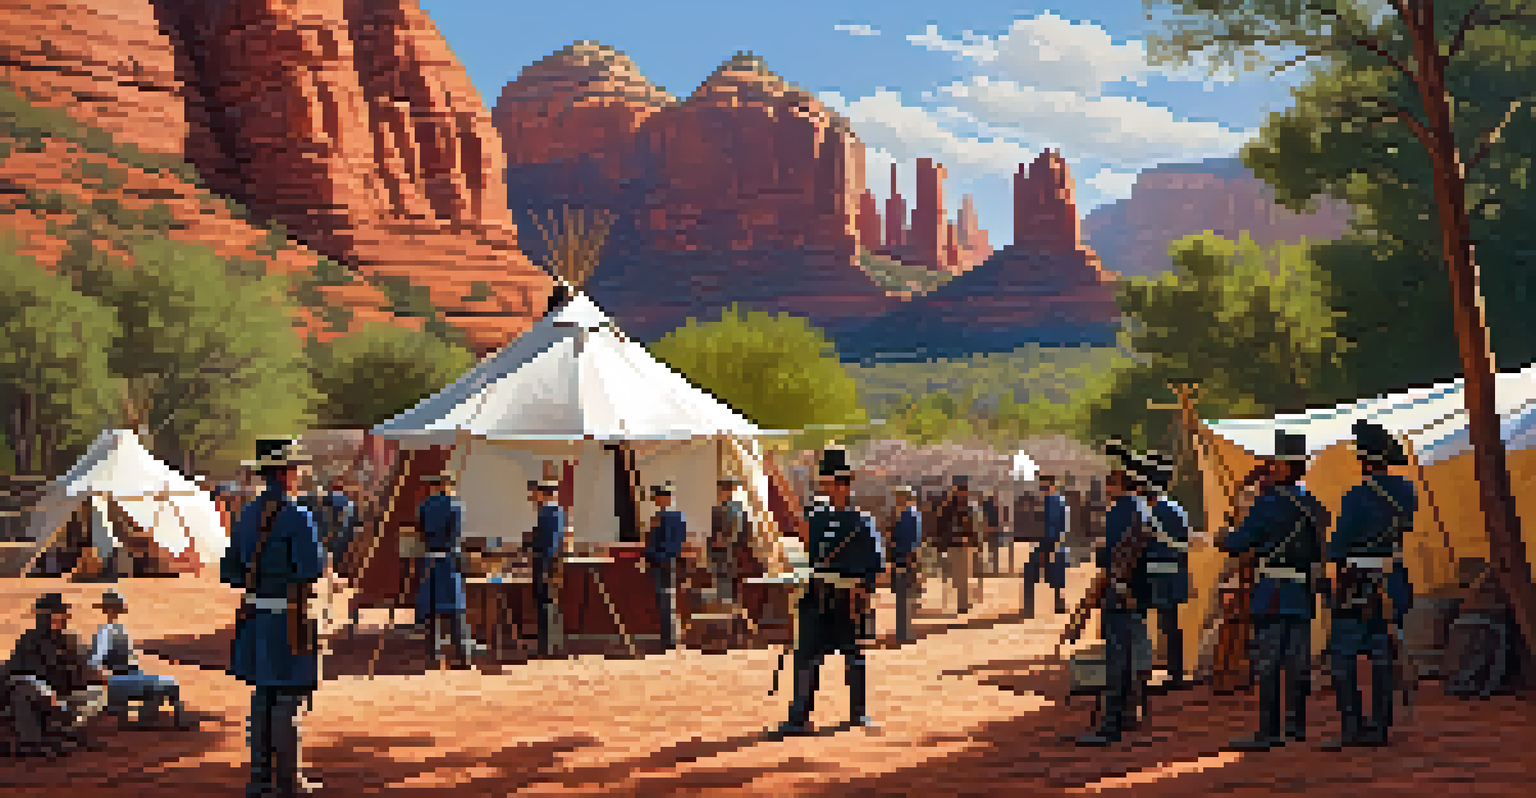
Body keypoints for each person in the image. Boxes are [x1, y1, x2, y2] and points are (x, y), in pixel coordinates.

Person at [220, 438, 327, 797]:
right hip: (290, 619)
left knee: (263, 697)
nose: (298, 475)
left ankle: (259, 779)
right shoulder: (298, 515)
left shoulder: (246, 513)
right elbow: (310, 568)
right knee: (290, 698)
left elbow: (231, 571)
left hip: (256, 618)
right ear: (284, 474)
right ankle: (289, 780)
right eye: (295, 469)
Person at [1220, 431, 1330, 751]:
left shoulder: (1267, 504)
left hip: (1272, 592)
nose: (1269, 468)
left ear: (1283, 467)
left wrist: (1223, 536)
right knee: (1297, 661)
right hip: (1302, 591)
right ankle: (1295, 726)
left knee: (1268, 662)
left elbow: (1240, 543)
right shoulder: (1312, 504)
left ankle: (1269, 730)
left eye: (1274, 463)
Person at [1322, 420, 1417, 750]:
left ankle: (1352, 727)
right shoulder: (1409, 492)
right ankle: (1380, 727)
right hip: (1392, 579)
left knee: (1343, 656)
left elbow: (1338, 545)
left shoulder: (1357, 495)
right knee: (1381, 654)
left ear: (1363, 460)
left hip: (1357, 583)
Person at [779, 447, 884, 735]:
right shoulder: (816, 519)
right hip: (817, 595)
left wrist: (864, 593)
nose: (828, 489)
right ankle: (798, 717)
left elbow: (874, 564)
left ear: (845, 484)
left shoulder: (861, 521)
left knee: (853, 657)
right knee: (804, 656)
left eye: (833, 483)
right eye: (824, 483)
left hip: (847, 599)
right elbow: (809, 557)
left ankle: (858, 714)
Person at [1076, 443, 1155, 746]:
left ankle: (1111, 724)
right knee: (1133, 656)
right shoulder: (1143, 508)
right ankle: (1129, 715)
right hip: (1137, 591)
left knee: (1117, 659)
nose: (1106, 486)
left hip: (1120, 591)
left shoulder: (1122, 511)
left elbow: (1108, 557)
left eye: (1111, 481)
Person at [2, 593, 108, 756]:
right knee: (23, 691)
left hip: (62, 696)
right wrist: (42, 689)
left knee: (97, 693)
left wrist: (96, 675)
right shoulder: (29, 640)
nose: (59, 618)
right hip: (32, 697)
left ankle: (66, 731)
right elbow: (13, 674)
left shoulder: (69, 639)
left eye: (60, 614)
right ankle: (31, 742)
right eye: (52, 614)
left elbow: (85, 667)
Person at [90, 590, 186, 728]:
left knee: (163, 684)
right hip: (118, 680)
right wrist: (107, 684)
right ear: (108, 610)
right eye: (113, 608)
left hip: (128, 677)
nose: (115, 612)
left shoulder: (119, 630)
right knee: (168, 685)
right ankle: (179, 722)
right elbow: (96, 662)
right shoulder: (105, 633)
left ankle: (148, 718)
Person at [1139, 453, 1192, 691]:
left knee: (1148, 626)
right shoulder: (1176, 508)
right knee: (1170, 626)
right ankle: (1175, 672)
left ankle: (1150, 673)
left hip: (1156, 574)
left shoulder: (1149, 511)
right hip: (1173, 573)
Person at [415, 471, 473, 670]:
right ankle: (462, 656)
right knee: (456, 610)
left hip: (430, 560)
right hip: (448, 561)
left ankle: (433, 655)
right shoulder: (455, 506)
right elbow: (455, 536)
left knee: (432, 610)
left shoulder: (425, 506)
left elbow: (421, 532)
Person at [645, 482, 688, 651]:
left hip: (663, 561)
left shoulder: (667, 516)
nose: (656, 500)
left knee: (666, 600)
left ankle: (669, 639)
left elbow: (668, 543)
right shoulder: (676, 516)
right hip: (667, 560)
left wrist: (651, 556)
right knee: (667, 600)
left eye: (658, 497)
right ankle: (669, 638)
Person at [1024, 474, 1070, 618]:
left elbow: (1063, 525)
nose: (1042, 487)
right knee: (1031, 573)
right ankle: (1029, 608)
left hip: (1054, 543)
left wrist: (1057, 543)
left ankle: (1058, 603)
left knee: (1055, 575)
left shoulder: (1058, 501)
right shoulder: (1041, 502)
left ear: (1051, 485)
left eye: (1044, 485)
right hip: (1042, 543)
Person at [528, 478, 565, 657]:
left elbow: (547, 544)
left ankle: (545, 646)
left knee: (544, 604)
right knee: (546, 603)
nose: (534, 497)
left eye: (536, 493)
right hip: (548, 563)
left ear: (543, 494)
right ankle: (547, 645)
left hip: (544, 563)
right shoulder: (555, 512)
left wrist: (543, 566)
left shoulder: (548, 513)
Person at [937, 476, 984, 615]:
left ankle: (963, 602)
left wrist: (975, 542)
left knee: (965, 574)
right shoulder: (947, 507)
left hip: (966, 546)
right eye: (960, 488)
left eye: (965, 489)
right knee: (958, 576)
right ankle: (961, 602)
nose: (963, 492)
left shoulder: (969, 506)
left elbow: (975, 525)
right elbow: (942, 527)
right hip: (953, 545)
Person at [888, 485, 923, 643]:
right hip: (907, 560)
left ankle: (903, 633)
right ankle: (905, 632)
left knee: (903, 598)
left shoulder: (907, 516)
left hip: (904, 560)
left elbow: (909, 542)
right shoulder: (912, 515)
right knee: (906, 598)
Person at [709, 476, 749, 604]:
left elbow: (744, 535)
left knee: (735, 596)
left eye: (729, 488)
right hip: (721, 558)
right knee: (724, 595)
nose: (727, 492)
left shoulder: (739, 510)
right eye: (724, 489)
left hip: (736, 558)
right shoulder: (715, 511)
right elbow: (711, 537)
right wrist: (715, 543)